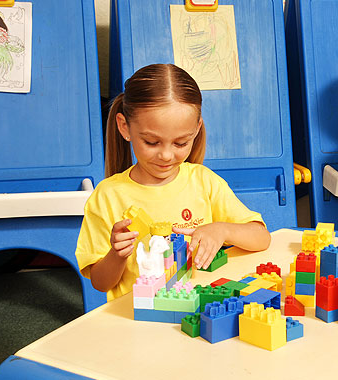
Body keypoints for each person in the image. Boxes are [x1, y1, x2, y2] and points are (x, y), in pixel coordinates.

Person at [76, 63, 271, 301]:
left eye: (180, 143)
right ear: (124, 127)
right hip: (141, 318)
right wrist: (117, 255)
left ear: (196, 130)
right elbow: (100, 283)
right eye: (151, 142)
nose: (167, 155)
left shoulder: (204, 182)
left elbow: (262, 237)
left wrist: (222, 229)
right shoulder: (107, 195)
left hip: (199, 310)